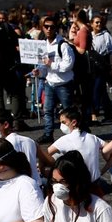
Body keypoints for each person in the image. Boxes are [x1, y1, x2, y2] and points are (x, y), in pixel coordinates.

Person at [44, 107, 112, 186]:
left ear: (73, 122)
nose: (61, 126)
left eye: (63, 122)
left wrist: (42, 169)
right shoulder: (93, 137)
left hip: (77, 185)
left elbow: (45, 154)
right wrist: (102, 171)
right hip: (95, 182)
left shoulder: (65, 139)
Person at [37, 14, 75, 144]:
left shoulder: (63, 45)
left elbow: (68, 65)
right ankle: (48, 134)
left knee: (68, 110)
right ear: (43, 28)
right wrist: (39, 71)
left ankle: (74, 133)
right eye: (46, 27)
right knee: (47, 110)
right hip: (50, 82)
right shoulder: (43, 45)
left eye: (51, 27)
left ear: (56, 29)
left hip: (64, 83)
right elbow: (43, 65)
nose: (48, 29)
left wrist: (51, 64)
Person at [0, 108, 41, 183]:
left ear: (6, 124)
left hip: (19, 183)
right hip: (36, 181)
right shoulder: (29, 140)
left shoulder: (5, 145)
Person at [89, 14, 112, 122]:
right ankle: (110, 114)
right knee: (101, 92)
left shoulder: (106, 35)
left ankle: (94, 113)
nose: (99, 24)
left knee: (96, 89)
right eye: (96, 22)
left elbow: (111, 51)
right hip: (91, 67)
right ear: (92, 24)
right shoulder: (89, 35)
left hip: (102, 66)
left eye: (100, 22)